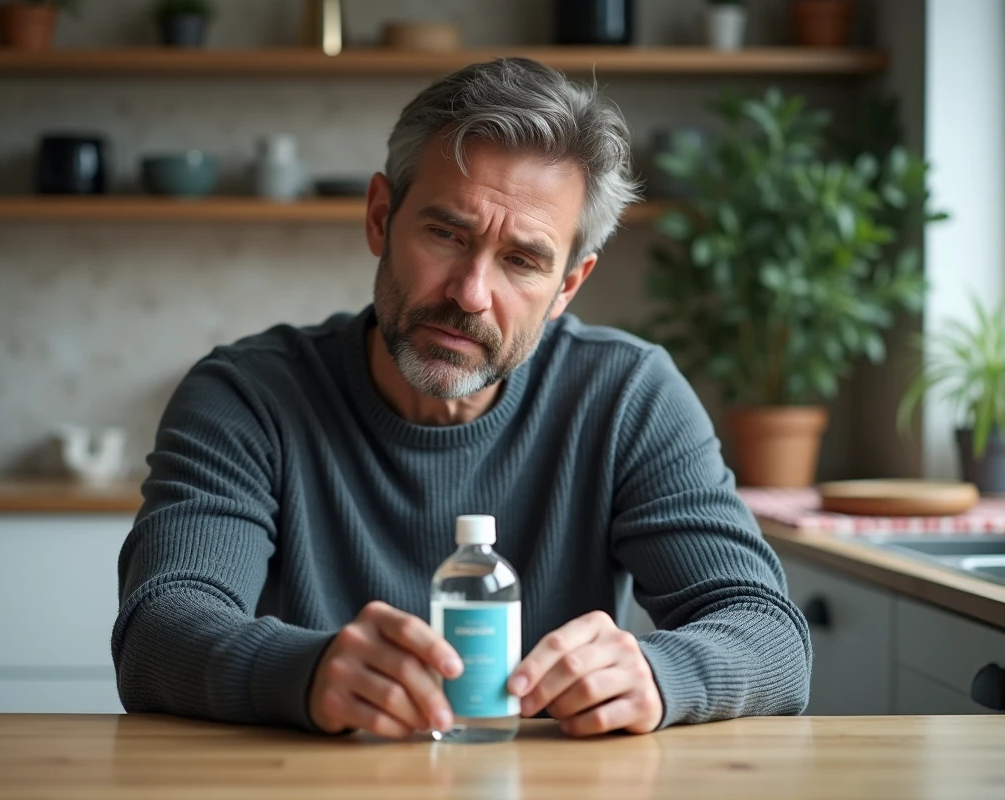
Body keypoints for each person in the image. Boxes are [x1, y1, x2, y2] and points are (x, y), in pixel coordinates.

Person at [112, 57, 811, 739]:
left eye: (523, 261)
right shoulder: (246, 396)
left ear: (568, 286)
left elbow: (769, 633)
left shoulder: (628, 396)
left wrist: (659, 674)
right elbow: (159, 627)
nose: (470, 294)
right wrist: (307, 669)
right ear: (381, 217)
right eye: (447, 234)